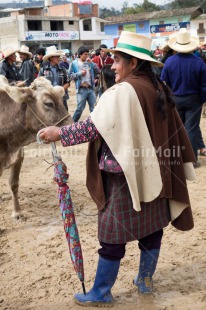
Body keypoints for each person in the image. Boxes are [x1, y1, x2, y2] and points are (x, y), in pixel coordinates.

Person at [39, 31, 196, 307]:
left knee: (112, 236)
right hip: (155, 175)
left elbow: (93, 127)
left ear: (133, 64)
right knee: (152, 230)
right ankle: (145, 281)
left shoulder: (123, 91)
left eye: (117, 61)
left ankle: (101, 292)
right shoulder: (157, 86)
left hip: (123, 177)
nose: (112, 66)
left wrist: (59, 134)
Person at [161, 28, 206, 168]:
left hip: (175, 99)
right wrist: (202, 100)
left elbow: (164, 82)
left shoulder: (169, 62)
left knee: (177, 129)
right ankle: (191, 160)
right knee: (191, 129)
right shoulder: (199, 62)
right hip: (194, 100)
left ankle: (179, 158)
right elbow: (204, 86)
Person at [68, 45, 99, 122]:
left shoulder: (89, 62)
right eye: (85, 54)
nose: (87, 56)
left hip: (90, 88)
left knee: (94, 108)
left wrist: (92, 64)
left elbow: (97, 71)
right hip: (81, 89)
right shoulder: (74, 63)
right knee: (80, 108)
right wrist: (79, 73)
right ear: (80, 54)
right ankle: (72, 123)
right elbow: (69, 76)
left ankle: (95, 124)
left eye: (88, 54)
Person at [38, 45, 70, 111]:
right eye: (57, 56)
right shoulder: (43, 70)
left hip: (61, 97)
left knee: (64, 114)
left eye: (59, 56)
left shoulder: (62, 69)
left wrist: (60, 90)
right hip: (48, 98)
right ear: (51, 58)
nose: (59, 58)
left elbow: (68, 82)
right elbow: (39, 83)